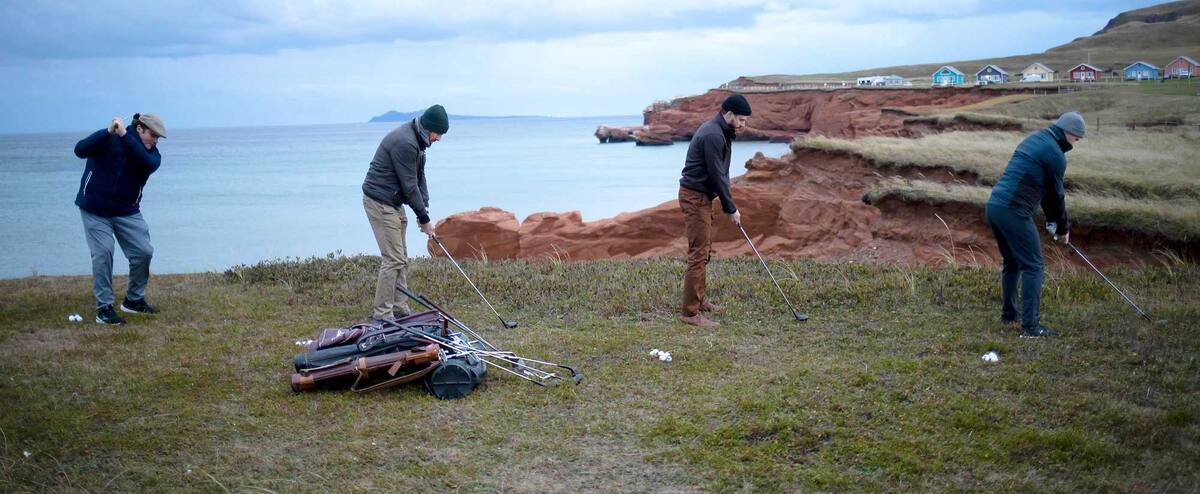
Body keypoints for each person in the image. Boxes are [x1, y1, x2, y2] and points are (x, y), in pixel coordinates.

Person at [985, 111, 1085, 337]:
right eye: (1077, 139)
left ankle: (1009, 315)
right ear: (1069, 132)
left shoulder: (1036, 139)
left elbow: (1048, 195)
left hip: (995, 206)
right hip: (1013, 212)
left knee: (1013, 262)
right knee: (1034, 265)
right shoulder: (1055, 154)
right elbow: (1056, 196)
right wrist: (1063, 229)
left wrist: (1054, 224)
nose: (1076, 144)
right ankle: (1030, 326)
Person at [73, 113, 167, 325]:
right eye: (153, 135)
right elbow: (80, 150)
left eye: (159, 138)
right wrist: (107, 132)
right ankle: (104, 308)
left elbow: (141, 159)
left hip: (127, 210)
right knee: (103, 252)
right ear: (140, 128)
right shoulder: (110, 138)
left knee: (144, 251)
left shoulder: (152, 155)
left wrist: (125, 135)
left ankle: (133, 301)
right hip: (95, 208)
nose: (156, 140)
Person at [362, 104, 448, 325]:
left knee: (402, 258)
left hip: (394, 201)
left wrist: (424, 211)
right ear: (429, 129)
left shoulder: (419, 145)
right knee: (393, 259)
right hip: (380, 201)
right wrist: (425, 220)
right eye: (438, 134)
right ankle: (382, 314)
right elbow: (410, 187)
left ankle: (400, 308)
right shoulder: (405, 143)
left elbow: (420, 179)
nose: (439, 139)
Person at [677, 94, 751, 327]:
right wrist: (731, 208)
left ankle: (699, 300)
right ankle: (690, 314)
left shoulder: (722, 132)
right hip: (695, 197)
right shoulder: (713, 135)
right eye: (740, 119)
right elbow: (717, 175)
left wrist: (727, 203)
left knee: (704, 250)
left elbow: (721, 174)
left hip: (702, 197)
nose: (742, 125)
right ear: (728, 114)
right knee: (698, 253)